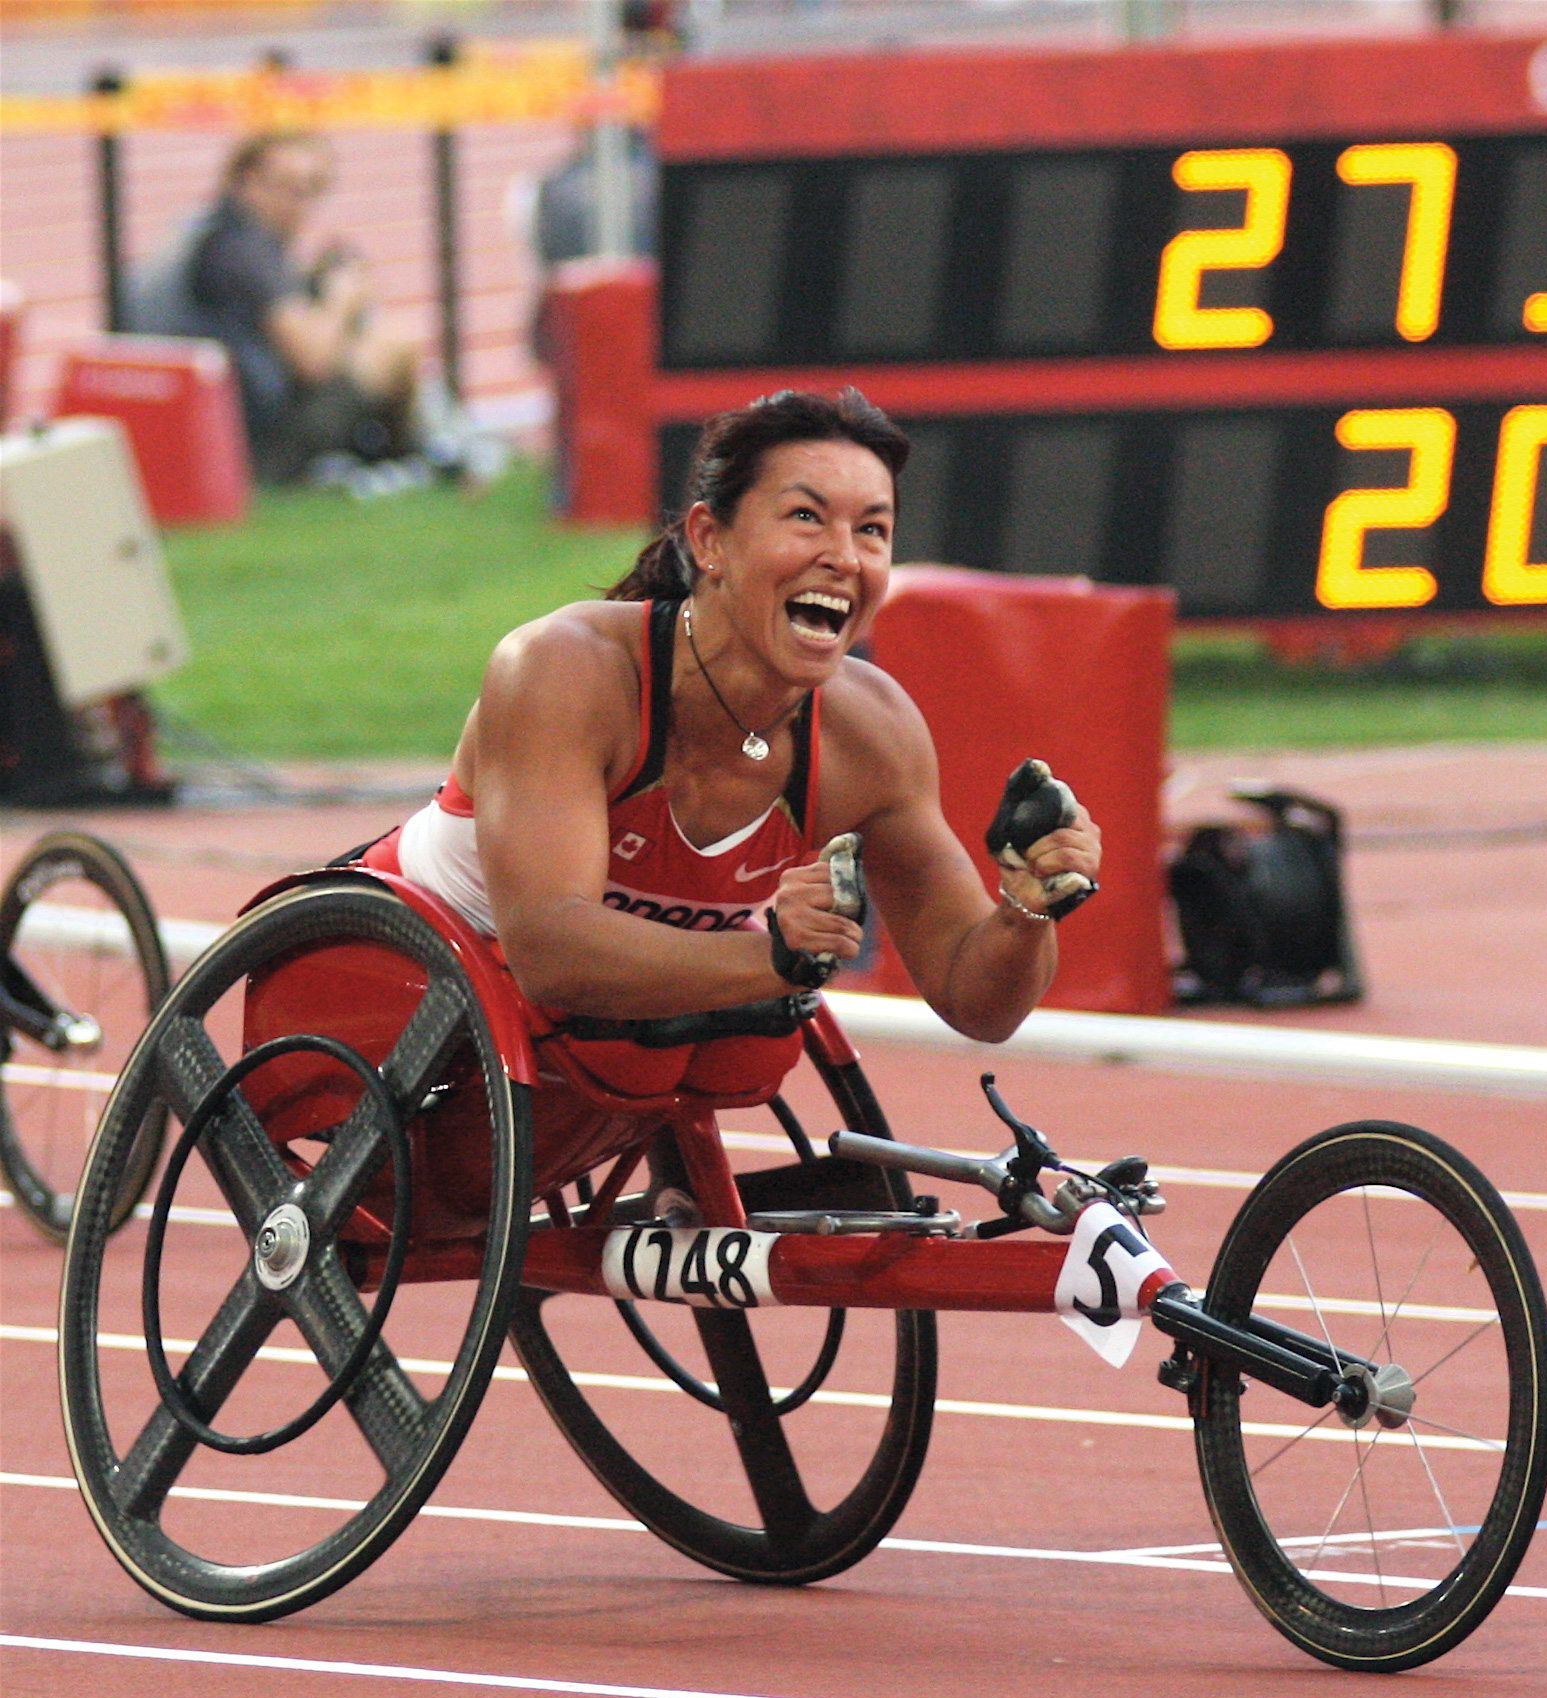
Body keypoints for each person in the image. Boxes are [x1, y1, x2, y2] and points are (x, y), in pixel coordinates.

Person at [356, 387, 1099, 1081]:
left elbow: (978, 1004)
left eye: (872, 530)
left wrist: (1028, 907)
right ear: (711, 541)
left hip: (598, 1041)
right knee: (744, 1017)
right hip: (387, 994)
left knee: (744, 1051)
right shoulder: (564, 668)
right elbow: (552, 952)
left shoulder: (873, 735)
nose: (845, 556)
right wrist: (776, 953)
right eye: (807, 517)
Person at [131, 131, 422, 484]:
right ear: (247, 182)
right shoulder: (246, 250)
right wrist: (342, 299)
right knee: (393, 344)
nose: (299, 203)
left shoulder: (210, 231)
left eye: (312, 189)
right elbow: (312, 360)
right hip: (253, 442)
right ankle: (403, 457)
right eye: (287, 186)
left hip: (210, 422)